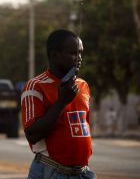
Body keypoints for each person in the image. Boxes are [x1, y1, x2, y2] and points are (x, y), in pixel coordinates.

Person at [21, 29, 96, 179]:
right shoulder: (36, 86)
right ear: (55, 55)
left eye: (81, 53)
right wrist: (62, 102)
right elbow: (32, 134)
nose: (79, 58)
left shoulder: (83, 85)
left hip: (83, 172)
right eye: (73, 53)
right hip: (52, 171)